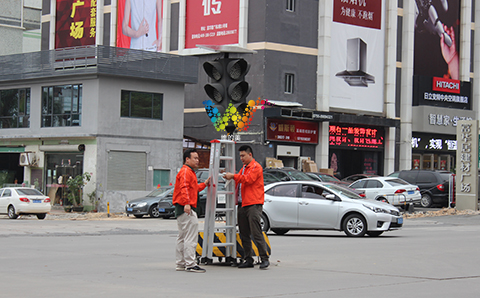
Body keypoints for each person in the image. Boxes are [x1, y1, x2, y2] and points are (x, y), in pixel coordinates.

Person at [224, 145, 270, 269]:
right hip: (243, 204)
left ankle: (264, 258)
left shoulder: (256, 167)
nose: (241, 158)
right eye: (240, 156)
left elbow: (248, 180)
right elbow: (240, 180)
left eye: (243, 155)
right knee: (244, 233)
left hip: (253, 204)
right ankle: (248, 258)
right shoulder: (244, 168)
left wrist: (233, 176)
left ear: (250, 155)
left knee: (256, 232)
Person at [173, 148, 210, 273]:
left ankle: (181, 263)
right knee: (190, 236)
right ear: (187, 159)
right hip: (186, 208)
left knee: (182, 236)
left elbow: (193, 189)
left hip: (182, 207)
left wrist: (204, 184)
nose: (197, 160)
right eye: (195, 158)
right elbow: (184, 188)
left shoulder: (188, 172)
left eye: (198, 158)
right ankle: (190, 263)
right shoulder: (185, 172)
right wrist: (187, 204)